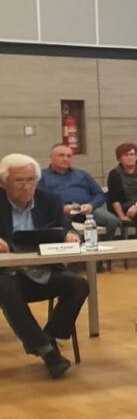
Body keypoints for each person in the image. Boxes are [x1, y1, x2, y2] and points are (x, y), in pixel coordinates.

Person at [0, 153, 89, 379]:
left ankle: (49, 337)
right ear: (3, 183)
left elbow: (65, 226)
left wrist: (70, 235)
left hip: (42, 272)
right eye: (18, 181)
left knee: (79, 284)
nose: (26, 186)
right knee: (4, 286)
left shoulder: (48, 200)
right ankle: (47, 352)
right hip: (8, 276)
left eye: (31, 180)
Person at [38, 143, 119, 236]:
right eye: (61, 155)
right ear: (51, 158)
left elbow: (99, 194)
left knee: (111, 220)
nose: (65, 159)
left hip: (85, 210)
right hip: (59, 212)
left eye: (69, 156)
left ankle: (99, 244)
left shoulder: (81, 174)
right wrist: (62, 208)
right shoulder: (41, 176)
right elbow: (39, 199)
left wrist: (91, 205)